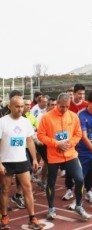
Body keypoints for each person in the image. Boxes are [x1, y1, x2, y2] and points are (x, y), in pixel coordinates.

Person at [37, 93, 90, 221]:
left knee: (79, 179)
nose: (65, 109)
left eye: (67, 106)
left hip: (70, 154)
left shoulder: (73, 116)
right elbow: (40, 135)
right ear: (57, 104)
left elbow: (78, 134)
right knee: (51, 182)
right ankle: (51, 208)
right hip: (54, 156)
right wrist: (56, 144)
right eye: (62, 107)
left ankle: (78, 206)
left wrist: (69, 144)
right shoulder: (47, 117)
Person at [0, 96, 43, 229]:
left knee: (28, 189)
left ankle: (32, 218)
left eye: (22, 106)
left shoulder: (26, 122)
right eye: (17, 106)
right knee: (5, 190)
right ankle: (4, 217)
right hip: (6, 161)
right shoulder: (2, 122)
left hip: (22, 160)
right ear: (10, 107)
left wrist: (34, 158)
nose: (20, 109)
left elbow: (29, 140)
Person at [62, 83, 89, 201]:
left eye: (83, 94)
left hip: (84, 140)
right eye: (79, 94)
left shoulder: (87, 105)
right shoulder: (68, 105)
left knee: (85, 165)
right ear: (73, 94)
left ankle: (89, 189)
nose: (81, 96)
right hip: (71, 141)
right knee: (69, 166)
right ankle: (69, 189)